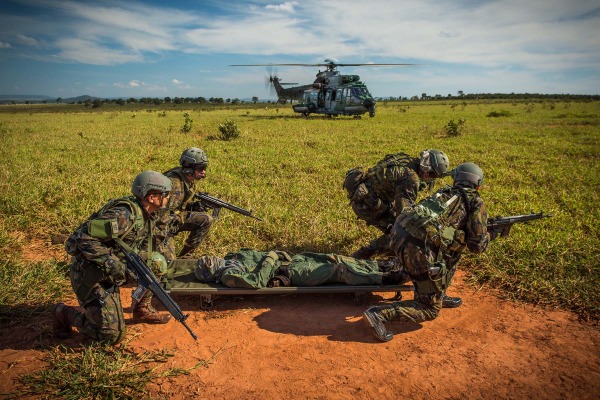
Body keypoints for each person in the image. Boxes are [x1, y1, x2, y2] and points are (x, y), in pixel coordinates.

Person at [362, 162, 491, 342]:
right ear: (478, 185)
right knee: (428, 309)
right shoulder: (476, 202)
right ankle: (379, 314)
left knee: (453, 249)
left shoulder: (443, 193)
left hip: (398, 237)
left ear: (455, 179)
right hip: (417, 249)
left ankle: (439, 292)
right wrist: (488, 236)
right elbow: (476, 245)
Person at [54, 171, 173, 344]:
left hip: (111, 268)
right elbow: (82, 238)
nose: (168, 198)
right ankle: (63, 313)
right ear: (152, 197)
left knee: (156, 263)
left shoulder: (147, 212)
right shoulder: (123, 215)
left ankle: (141, 308)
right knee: (111, 335)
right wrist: (114, 264)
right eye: (166, 195)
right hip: (91, 274)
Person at [343, 149, 450, 260]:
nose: (431, 178)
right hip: (366, 205)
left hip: (367, 196)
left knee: (398, 226)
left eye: (435, 176)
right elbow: (403, 215)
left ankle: (392, 252)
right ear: (426, 166)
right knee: (401, 232)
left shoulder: (407, 160)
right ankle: (363, 254)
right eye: (431, 174)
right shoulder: (411, 178)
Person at [192, 248, 410, 288]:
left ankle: (382, 265)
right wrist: (270, 257)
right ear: (211, 272)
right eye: (209, 263)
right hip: (291, 274)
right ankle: (385, 279)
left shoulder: (230, 259)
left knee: (336, 258)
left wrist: (276, 255)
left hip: (292, 261)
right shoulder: (229, 275)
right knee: (339, 270)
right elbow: (256, 282)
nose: (212, 259)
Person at [157, 147, 214, 261]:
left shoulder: (188, 180)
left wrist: (193, 206)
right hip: (160, 226)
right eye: (201, 168)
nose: (204, 172)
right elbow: (159, 216)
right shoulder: (174, 184)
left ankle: (185, 257)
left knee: (206, 219)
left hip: (173, 220)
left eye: (205, 167)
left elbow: (179, 204)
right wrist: (178, 219)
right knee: (169, 262)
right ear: (189, 168)